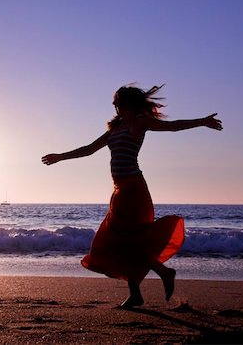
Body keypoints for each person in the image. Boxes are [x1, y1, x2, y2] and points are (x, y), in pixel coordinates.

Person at [42, 85, 223, 308]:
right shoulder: (114, 128)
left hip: (135, 190)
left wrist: (202, 121)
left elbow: (173, 126)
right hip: (119, 192)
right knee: (119, 242)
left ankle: (154, 281)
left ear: (127, 103)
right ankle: (154, 280)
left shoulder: (140, 122)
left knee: (130, 241)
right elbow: (89, 149)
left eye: (117, 102)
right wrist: (61, 156)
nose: (114, 107)